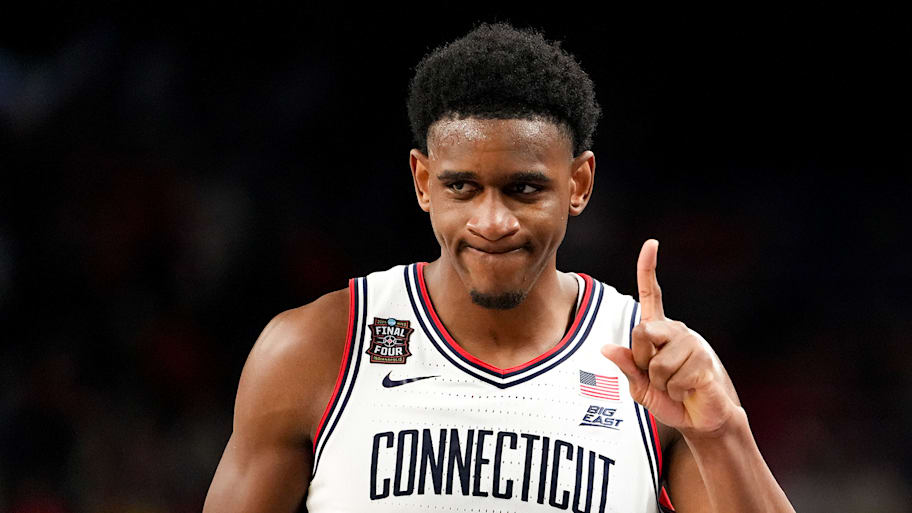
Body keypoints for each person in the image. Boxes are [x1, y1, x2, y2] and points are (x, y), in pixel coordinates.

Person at [203, 22, 796, 513]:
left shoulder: (650, 366)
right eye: (462, 186)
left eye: (523, 189)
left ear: (579, 184)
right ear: (422, 181)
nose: (491, 221)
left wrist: (722, 435)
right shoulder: (316, 347)